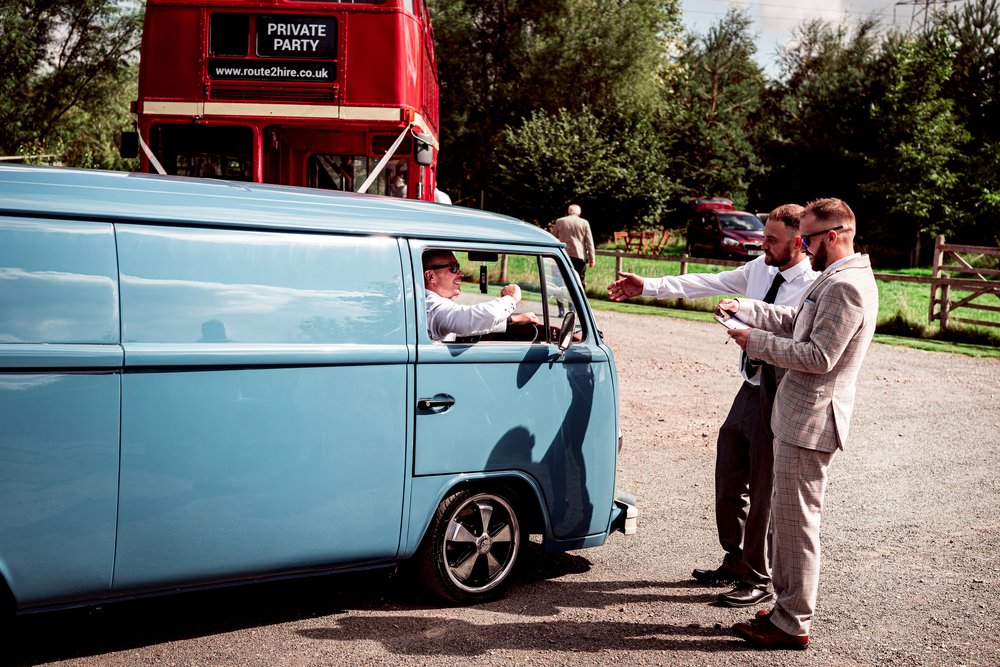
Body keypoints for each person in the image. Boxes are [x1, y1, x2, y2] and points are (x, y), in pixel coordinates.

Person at [607, 204, 818, 608]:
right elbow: (706, 281)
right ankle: (735, 558)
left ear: (799, 243)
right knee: (729, 475)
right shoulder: (760, 268)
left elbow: (803, 340)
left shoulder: (814, 283)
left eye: (772, 239)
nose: (763, 244)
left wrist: (753, 331)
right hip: (750, 384)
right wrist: (647, 286)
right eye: (763, 236)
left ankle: (759, 576)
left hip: (782, 390)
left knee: (764, 488)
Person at [722, 198, 879, 650]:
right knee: (790, 521)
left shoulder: (846, 285)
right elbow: (799, 320)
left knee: (797, 525)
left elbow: (818, 356)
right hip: (799, 417)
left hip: (810, 421)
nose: (803, 247)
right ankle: (786, 609)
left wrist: (756, 342)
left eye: (808, 238)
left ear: (834, 235)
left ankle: (791, 623)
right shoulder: (837, 277)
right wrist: (750, 310)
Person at [423, 250, 538, 342]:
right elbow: (480, 317)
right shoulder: (434, 307)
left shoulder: (425, 303)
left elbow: (464, 328)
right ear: (430, 276)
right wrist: (512, 299)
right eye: (454, 268)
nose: (461, 273)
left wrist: (513, 320)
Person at [553, 204, 595, 287]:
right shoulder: (584, 223)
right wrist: (591, 258)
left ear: (569, 211)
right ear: (579, 213)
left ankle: (560, 299)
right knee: (579, 279)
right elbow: (589, 242)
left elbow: (553, 237)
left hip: (563, 254)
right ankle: (579, 298)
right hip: (579, 256)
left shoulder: (560, 221)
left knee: (562, 278)